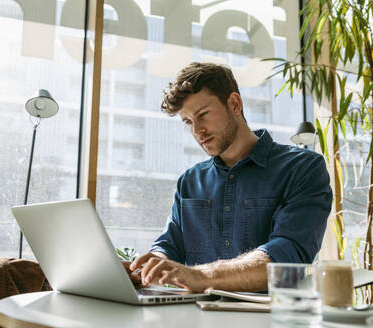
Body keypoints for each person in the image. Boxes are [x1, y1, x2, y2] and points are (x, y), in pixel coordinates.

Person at [127, 62, 333, 293]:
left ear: (234, 104)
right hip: (195, 317)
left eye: (203, 115)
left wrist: (201, 276)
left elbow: (286, 256)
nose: (197, 131)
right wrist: (147, 266)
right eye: (188, 122)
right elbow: (169, 244)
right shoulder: (190, 181)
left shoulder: (302, 168)